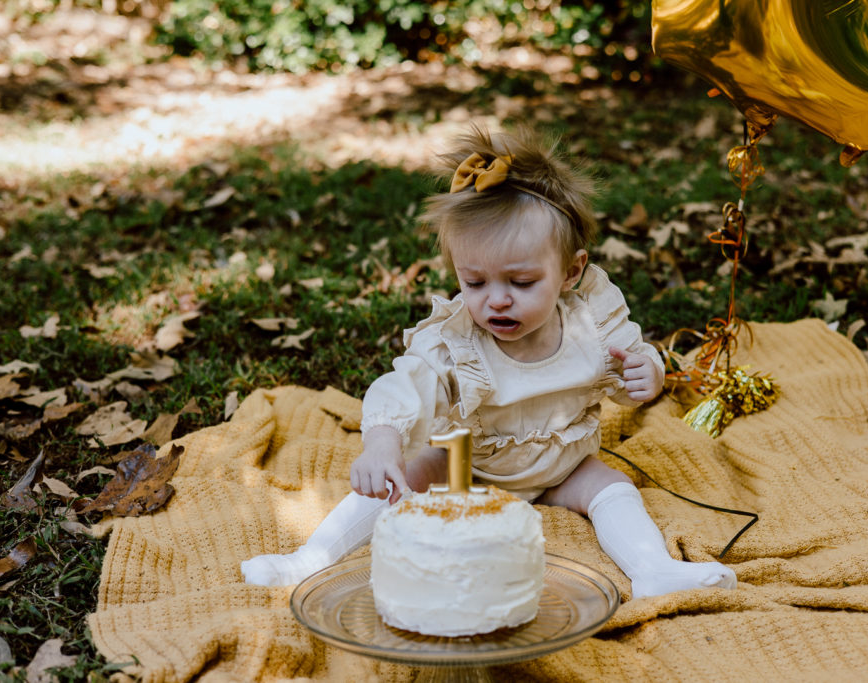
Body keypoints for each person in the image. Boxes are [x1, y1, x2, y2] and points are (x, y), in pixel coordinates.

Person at [241, 125, 737, 598]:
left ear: (570, 271)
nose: (495, 301)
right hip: (470, 465)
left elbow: (632, 366)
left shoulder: (592, 324)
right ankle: (310, 558)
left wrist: (647, 373)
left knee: (613, 485)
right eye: (474, 283)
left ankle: (652, 570)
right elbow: (402, 388)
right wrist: (381, 443)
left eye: (520, 283)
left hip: (562, 467)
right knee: (407, 475)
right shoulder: (457, 342)